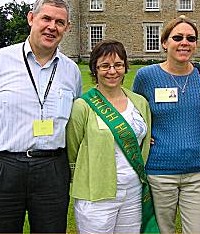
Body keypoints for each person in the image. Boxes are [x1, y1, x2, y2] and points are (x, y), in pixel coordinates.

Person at [0, 0, 82, 233]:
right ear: (31, 18)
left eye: (60, 22)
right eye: (46, 19)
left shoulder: (71, 71)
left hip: (51, 170)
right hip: (3, 169)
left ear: (67, 28)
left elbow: (74, 119)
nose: (52, 27)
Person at [66, 40, 158, 234]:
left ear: (125, 67)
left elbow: (144, 140)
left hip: (133, 191)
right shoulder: (82, 106)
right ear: (95, 69)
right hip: (96, 194)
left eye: (118, 65)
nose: (112, 71)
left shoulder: (139, 103)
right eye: (105, 66)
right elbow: (72, 150)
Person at [132, 15, 200, 234]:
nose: (184, 42)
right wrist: (145, 135)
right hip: (160, 170)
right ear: (165, 42)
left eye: (191, 38)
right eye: (177, 37)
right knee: (162, 230)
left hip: (199, 170)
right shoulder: (146, 76)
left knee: (197, 230)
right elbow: (134, 115)